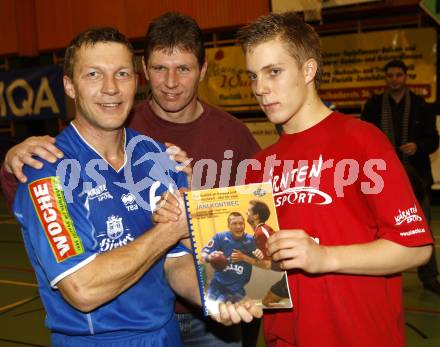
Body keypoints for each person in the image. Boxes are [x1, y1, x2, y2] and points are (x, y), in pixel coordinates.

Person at [0, 12, 261, 347]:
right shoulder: (46, 170)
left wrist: (221, 294)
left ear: (135, 80)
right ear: (69, 84)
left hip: (166, 336)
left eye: (121, 74)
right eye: (94, 74)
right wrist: (170, 230)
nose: (110, 88)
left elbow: (175, 265)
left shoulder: (158, 158)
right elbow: (83, 289)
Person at [237, 11, 433, 347]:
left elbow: (415, 249)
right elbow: (260, 279)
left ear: (308, 70)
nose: (260, 88)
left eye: (274, 72)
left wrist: (326, 257)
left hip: (361, 336)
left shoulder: (361, 140)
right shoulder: (258, 166)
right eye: (253, 76)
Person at [361, 59, 440, 295]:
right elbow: (362, 139)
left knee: (422, 225)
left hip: (416, 177)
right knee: (377, 228)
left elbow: (434, 139)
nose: (394, 79)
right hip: (381, 178)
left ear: (405, 77)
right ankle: (378, 272)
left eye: (398, 75)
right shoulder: (374, 106)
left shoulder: (420, 105)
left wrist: (418, 145)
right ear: (386, 79)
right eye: (390, 75)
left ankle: (430, 276)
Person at [202, 212, 257, 304]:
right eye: (234, 224)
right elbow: (203, 254)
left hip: (237, 288)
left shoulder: (251, 240)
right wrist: (209, 257)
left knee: (241, 314)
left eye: (241, 223)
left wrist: (244, 257)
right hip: (218, 286)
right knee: (213, 309)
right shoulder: (219, 237)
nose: (238, 227)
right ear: (229, 226)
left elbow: (263, 262)